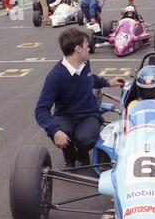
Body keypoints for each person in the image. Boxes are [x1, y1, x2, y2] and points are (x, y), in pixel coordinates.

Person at [35, 28, 125, 167]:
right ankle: (69, 154)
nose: (89, 48)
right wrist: (55, 131)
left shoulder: (84, 63)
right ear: (78, 49)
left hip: (89, 114)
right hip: (65, 116)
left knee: (86, 139)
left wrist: (108, 82)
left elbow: (89, 78)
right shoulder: (55, 77)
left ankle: (82, 152)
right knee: (62, 132)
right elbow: (41, 110)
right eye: (86, 45)